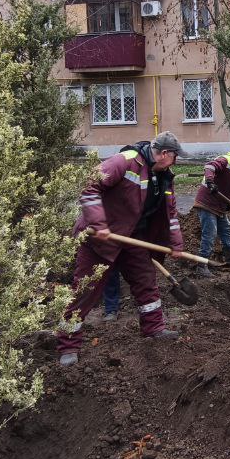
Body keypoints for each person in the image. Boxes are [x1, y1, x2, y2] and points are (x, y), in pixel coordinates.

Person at [56, 132, 188, 367]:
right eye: (175, 156)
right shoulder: (126, 160)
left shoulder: (165, 177)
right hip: (101, 238)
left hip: (133, 237)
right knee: (85, 290)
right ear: (165, 154)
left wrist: (175, 245)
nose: (176, 161)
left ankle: (154, 328)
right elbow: (89, 185)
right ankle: (68, 345)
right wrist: (99, 223)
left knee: (146, 280)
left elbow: (171, 214)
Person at [191, 144, 230, 277]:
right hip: (207, 203)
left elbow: (227, 191)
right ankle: (201, 266)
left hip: (218, 206)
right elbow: (209, 166)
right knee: (210, 233)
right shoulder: (225, 160)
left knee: (226, 229)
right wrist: (210, 181)